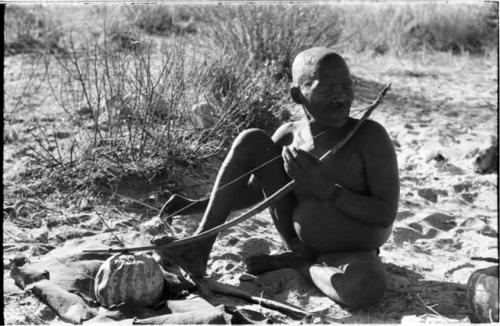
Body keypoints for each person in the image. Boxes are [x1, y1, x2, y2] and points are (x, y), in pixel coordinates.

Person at [153, 47, 399, 308]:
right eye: (327, 88)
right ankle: (199, 247)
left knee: (364, 288)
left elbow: (384, 214)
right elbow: (255, 192)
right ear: (297, 94)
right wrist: (196, 204)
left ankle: (299, 265)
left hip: (353, 253)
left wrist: (328, 190)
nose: (341, 96)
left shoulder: (369, 136)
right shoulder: (289, 137)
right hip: (298, 241)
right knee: (251, 140)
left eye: (346, 85)